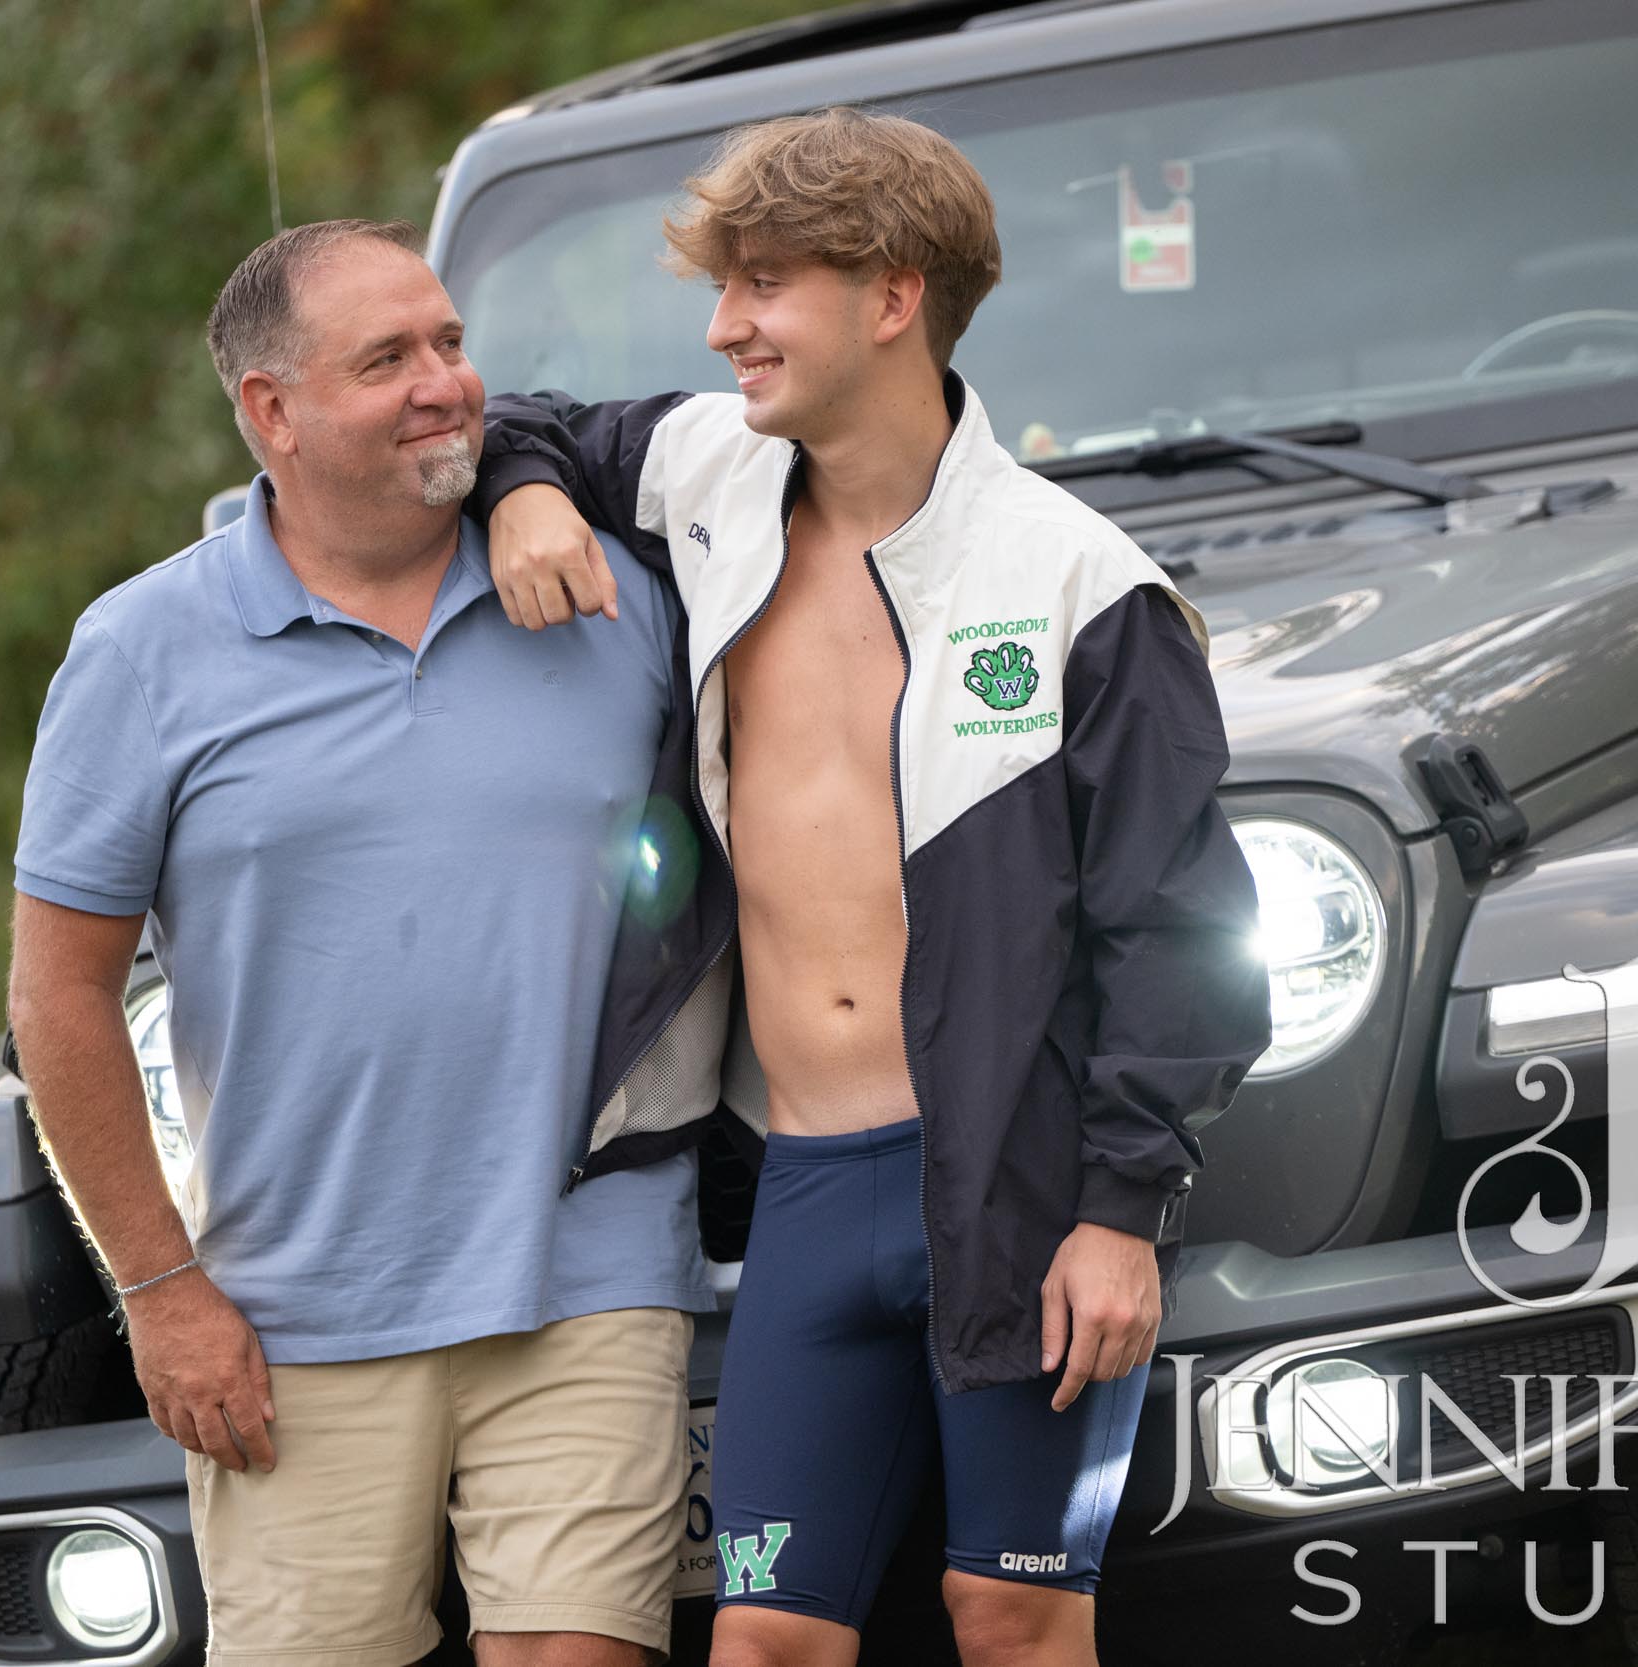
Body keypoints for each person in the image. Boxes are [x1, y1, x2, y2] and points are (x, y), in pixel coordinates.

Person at [468, 109, 1272, 1667]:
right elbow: (528, 423)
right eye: (724, 289)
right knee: (766, 1640)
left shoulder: (1081, 583)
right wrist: (525, 495)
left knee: (1015, 1616)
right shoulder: (704, 469)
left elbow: (1182, 933)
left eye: (763, 285)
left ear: (892, 296)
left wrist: (1121, 1216)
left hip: (1020, 1187)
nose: (724, 328)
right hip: (808, 1185)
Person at [5, 217, 720, 1667]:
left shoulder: (616, 596)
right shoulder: (140, 651)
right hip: (294, 1312)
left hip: (590, 1264)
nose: (445, 383)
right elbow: (59, 997)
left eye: (450, 342)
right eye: (387, 358)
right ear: (272, 411)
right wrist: (161, 1292)